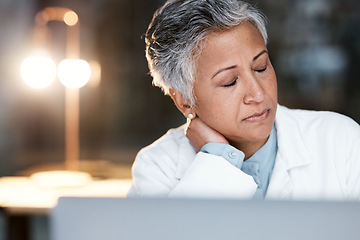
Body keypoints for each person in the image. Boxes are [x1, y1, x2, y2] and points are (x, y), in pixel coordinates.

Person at [127, 0, 360, 200]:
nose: (258, 94)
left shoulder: (340, 141)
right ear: (184, 101)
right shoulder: (157, 168)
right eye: (230, 81)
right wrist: (218, 160)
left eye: (261, 67)